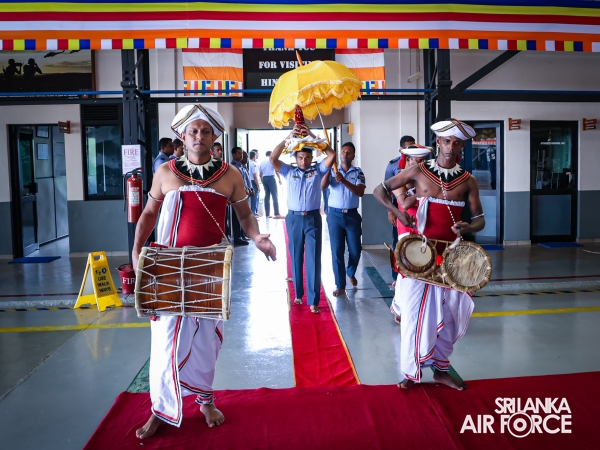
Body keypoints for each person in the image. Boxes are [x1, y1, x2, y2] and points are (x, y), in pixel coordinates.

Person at [132, 104, 276, 438]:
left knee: (206, 341)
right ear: (182, 136)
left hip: (209, 268)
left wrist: (257, 237)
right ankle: (161, 410)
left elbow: (245, 216)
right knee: (166, 341)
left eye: (206, 131)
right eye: (193, 131)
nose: (199, 136)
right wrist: (137, 250)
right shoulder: (165, 172)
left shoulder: (230, 175)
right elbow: (149, 213)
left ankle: (205, 400)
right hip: (167, 268)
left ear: (214, 137)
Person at [373, 119, 484, 391]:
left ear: (462, 147)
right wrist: (398, 212)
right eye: (446, 141)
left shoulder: (468, 181)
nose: (450, 147)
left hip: (451, 258)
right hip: (418, 256)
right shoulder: (418, 171)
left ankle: (441, 370)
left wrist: (469, 227)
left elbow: (480, 219)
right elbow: (379, 190)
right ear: (438, 142)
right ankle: (410, 373)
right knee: (413, 315)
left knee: (451, 314)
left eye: (456, 143)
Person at [271, 124, 336, 313]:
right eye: (300, 157)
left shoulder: (318, 170)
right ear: (295, 158)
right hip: (293, 218)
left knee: (313, 258)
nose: (304, 161)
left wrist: (312, 136)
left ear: (311, 157)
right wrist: (289, 136)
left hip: (313, 218)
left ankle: (313, 300)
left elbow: (332, 155)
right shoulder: (288, 171)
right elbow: (273, 158)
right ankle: (298, 294)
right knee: (296, 255)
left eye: (307, 157)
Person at [388, 144, 433, 324]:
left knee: (422, 267)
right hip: (406, 227)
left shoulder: (425, 179)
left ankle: (417, 305)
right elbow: (405, 203)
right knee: (406, 269)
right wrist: (424, 192)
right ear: (408, 161)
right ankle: (399, 307)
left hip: (424, 226)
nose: (422, 164)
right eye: (418, 161)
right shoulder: (398, 179)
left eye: (424, 161)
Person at [322, 142, 365, 297]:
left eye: (348, 152)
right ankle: (340, 285)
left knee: (355, 250)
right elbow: (322, 186)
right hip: (334, 216)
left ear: (353, 156)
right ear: (339, 154)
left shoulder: (358, 172)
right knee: (337, 252)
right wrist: (328, 170)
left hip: (352, 216)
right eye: (343, 151)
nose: (345, 154)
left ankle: (350, 272)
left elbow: (360, 192)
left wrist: (344, 181)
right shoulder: (332, 170)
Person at [384, 135, 416, 287]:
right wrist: (391, 212)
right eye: (408, 148)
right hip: (399, 209)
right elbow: (386, 190)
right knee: (398, 243)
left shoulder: (421, 166)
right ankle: (396, 276)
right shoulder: (393, 166)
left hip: (416, 211)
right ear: (402, 149)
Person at [230, 146, 253, 245]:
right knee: (237, 216)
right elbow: (236, 183)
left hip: (244, 194)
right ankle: (237, 237)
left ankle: (242, 234)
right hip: (237, 195)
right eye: (239, 153)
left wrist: (250, 189)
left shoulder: (241, 165)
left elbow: (246, 180)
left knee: (243, 215)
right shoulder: (233, 167)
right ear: (234, 154)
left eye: (242, 153)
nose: (241, 155)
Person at [260, 150, 284, 219]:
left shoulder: (262, 162)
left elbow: (260, 174)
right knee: (275, 195)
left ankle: (267, 214)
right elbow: (276, 170)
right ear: (271, 154)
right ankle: (277, 213)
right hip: (271, 178)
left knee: (267, 196)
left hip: (264, 178)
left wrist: (263, 181)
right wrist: (279, 179)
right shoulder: (271, 160)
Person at [248, 150, 261, 217]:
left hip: (248, 181)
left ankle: (253, 213)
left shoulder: (248, 163)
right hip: (253, 181)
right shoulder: (253, 164)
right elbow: (255, 176)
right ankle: (254, 213)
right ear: (254, 156)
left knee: (251, 198)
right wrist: (258, 186)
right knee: (255, 198)